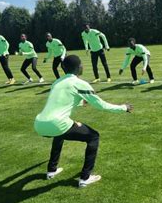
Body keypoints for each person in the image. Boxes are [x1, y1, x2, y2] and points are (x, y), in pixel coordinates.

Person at [34, 55, 133, 187]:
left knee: (59, 135)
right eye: (81, 64)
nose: (82, 66)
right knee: (93, 137)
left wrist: (81, 102)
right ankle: (85, 178)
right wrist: (123, 107)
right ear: (78, 67)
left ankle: (51, 171)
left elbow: (61, 101)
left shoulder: (57, 82)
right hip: (57, 124)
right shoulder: (80, 83)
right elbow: (101, 105)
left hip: (39, 123)